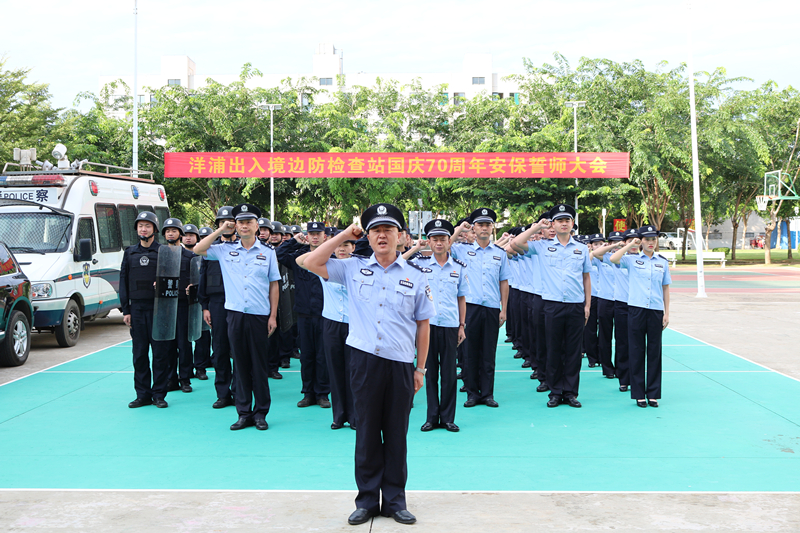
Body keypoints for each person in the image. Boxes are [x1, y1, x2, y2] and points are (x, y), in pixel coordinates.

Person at [304, 203, 434, 526]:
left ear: (401, 236)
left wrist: (421, 369)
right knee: (365, 433)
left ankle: (394, 500)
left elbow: (424, 325)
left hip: (401, 365)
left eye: (388, 229)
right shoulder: (352, 268)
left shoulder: (415, 277)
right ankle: (366, 500)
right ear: (369, 235)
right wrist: (346, 234)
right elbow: (309, 261)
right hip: (363, 362)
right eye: (375, 229)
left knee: (396, 433)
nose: (382, 235)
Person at [194, 203, 281, 431]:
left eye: (248, 222)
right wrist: (220, 230)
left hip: (259, 316)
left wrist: (273, 315)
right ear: (236, 226)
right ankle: (244, 413)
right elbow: (198, 249)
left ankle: (260, 413)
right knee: (240, 365)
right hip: (234, 315)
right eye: (240, 222)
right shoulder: (224, 250)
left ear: (256, 225)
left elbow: (274, 285)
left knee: (259, 366)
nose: (244, 226)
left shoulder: (268, 252)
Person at [512, 204, 591, 408]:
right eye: (559, 220)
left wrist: (587, 305)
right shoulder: (542, 246)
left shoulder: (581, 248)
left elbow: (586, 278)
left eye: (567, 220)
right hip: (551, 304)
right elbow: (516, 242)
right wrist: (537, 227)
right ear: (553, 224)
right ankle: (555, 391)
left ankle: (571, 392)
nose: (564, 224)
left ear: (572, 224)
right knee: (553, 349)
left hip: (574, 305)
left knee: (573, 351)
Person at [404, 219, 468, 432]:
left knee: (449, 373)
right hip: (427, 326)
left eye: (443, 239)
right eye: (435, 240)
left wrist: (461, 325)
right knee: (429, 373)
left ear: (450, 242)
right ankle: (432, 417)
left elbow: (461, 298)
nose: (439, 243)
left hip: (450, 325)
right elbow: (398, 264)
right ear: (429, 242)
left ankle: (448, 417)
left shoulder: (458, 268)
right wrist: (415, 248)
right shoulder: (420, 265)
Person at [298, 230, 358, 429]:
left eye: (346, 245)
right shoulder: (325, 264)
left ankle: (356, 415)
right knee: (335, 369)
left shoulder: (361, 265)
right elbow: (300, 261)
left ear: (354, 248)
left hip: (354, 324)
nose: (342, 249)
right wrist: (331, 243)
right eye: (339, 246)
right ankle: (339, 415)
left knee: (354, 371)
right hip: (331, 323)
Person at [450, 208, 509, 408]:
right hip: (470, 308)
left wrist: (504, 309)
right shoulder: (461, 250)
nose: (484, 228)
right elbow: (443, 246)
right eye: (480, 225)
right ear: (473, 228)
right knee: (469, 352)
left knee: (488, 352)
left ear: (492, 228)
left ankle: (487, 394)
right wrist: (459, 229)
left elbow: (504, 282)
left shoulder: (500, 254)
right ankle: (472, 393)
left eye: (488, 224)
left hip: (492, 307)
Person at [610, 226, 671, 408]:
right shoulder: (631, 260)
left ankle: (653, 393)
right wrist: (630, 246)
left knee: (654, 352)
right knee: (636, 351)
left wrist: (667, 312)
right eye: (647, 239)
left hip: (655, 310)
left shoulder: (662, 262)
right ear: (641, 241)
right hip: (636, 310)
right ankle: (638, 394)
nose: (651, 242)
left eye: (654, 239)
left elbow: (665, 287)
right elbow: (614, 258)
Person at [277, 221, 331, 408]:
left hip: (326, 314)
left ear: (325, 235)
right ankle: (308, 393)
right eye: (311, 233)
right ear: (307, 235)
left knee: (323, 355)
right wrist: (294, 241)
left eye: (319, 233)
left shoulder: (332, 256)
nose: (315, 236)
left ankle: (323, 393)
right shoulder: (299, 256)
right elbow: (280, 254)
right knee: (307, 355)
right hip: (304, 313)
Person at [120, 211, 171, 409]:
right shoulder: (129, 252)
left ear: (155, 229)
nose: (143, 229)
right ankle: (142, 395)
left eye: (147, 225)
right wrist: (126, 310)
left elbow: (172, 281)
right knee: (139, 354)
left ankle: (159, 394)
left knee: (160, 353)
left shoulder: (164, 252)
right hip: (137, 310)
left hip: (159, 309)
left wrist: (162, 285)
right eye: (140, 225)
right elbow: (123, 282)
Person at [198, 209, 237, 409]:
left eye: (231, 221)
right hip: (217, 303)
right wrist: (205, 307)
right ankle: (223, 393)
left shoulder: (243, 247)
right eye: (223, 222)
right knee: (220, 349)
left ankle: (240, 391)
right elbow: (203, 278)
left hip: (239, 303)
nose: (228, 225)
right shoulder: (212, 249)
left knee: (239, 349)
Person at [592, 229, 637, 392]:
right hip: (607, 299)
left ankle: (622, 370)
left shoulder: (636, 259)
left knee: (624, 340)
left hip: (631, 303)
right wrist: (616, 245)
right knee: (606, 335)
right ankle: (608, 368)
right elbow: (595, 254)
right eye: (628, 240)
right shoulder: (612, 257)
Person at [161, 218, 196, 394]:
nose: (170, 233)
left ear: (180, 234)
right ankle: (170, 379)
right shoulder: (159, 254)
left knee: (184, 344)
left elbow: (197, 278)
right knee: (167, 345)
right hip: (164, 307)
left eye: (174, 231)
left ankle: (185, 378)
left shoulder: (190, 256)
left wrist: (193, 287)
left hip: (183, 305)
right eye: (167, 231)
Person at [183, 223, 211, 381]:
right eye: (185, 235)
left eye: (191, 235)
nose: (188, 237)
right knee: (184, 338)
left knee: (203, 336)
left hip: (201, 301)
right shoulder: (177, 255)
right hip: (182, 302)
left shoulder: (205, 256)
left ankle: (201, 367)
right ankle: (186, 369)